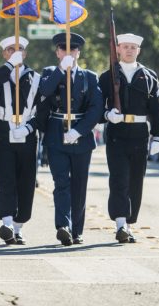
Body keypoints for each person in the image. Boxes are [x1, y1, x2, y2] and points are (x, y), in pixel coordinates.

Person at [38, 33, 103, 246]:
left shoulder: (89, 77)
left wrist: (80, 130)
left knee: (79, 184)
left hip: (81, 135)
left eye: (73, 50)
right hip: (57, 133)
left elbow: (96, 109)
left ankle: (77, 230)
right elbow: (45, 91)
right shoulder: (49, 73)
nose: (69, 53)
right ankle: (63, 226)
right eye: (64, 50)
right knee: (61, 183)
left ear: (78, 53)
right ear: (57, 52)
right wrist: (60, 71)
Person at [98, 33, 159, 243]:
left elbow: (156, 109)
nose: (128, 50)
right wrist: (107, 115)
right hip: (117, 134)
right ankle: (120, 224)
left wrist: (157, 136)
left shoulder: (149, 76)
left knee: (136, 181)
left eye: (133, 47)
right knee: (119, 180)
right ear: (117, 49)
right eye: (125, 46)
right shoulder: (107, 77)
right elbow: (98, 108)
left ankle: (129, 222)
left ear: (138, 51)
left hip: (139, 135)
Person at [0, 36, 42, 245]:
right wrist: (10, 66)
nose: (15, 52)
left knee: (26, 181)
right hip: (3, 132)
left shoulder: (35, 78)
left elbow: (43, 109)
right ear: (4, 54)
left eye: (19, 49)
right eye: (10, 49)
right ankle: (7, 222)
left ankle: (19, 226)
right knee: (6, 179)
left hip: (27, 135)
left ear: (25, 53)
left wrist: (29, 127)